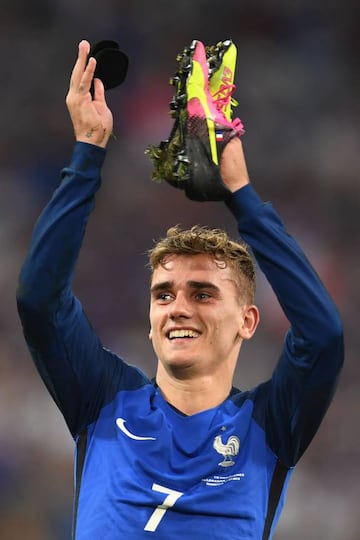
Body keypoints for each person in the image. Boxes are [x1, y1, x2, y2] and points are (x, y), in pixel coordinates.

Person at [17, 39, 344, 540]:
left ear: (248, 321)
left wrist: (242, 194)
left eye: (204, 293)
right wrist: (88, 149)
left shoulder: (269, 425)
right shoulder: (103, 399)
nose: (178, 309)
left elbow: (322, 336)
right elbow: (39, 299)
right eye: (163, 294)